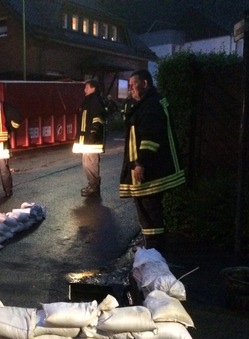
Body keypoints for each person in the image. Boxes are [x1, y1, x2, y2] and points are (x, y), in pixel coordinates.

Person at [120, 69, 186, 251]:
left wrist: (141, 164)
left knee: (149, 207)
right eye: (130, 86)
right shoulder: (149, 102)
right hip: (152, 168)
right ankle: (151, 241)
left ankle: (154, 246)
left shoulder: (150, 106)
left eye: (134, 85)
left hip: (151, 171)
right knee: (147, 206)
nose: (131, 89)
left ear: (145, 84)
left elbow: (150, 138)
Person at [72, 79, 106, 198]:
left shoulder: (95, 101)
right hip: (86, 140)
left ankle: (94, 186)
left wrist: (92, 135)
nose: (84, 90)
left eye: (86, 87)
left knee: (91, 164)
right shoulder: (89, 101)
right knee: (87, 164)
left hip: (91, 141)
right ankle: (92, 185)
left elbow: (98, 120)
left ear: (93, 88)